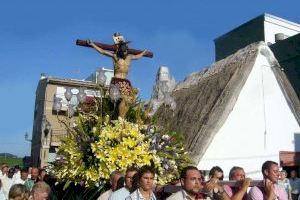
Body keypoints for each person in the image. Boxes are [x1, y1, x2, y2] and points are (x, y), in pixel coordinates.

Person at [87, 34, 148, 118]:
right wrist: (93, 44)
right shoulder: (115, 57)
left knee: (130, 100)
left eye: (126, 50)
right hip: (117, 81)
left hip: (126, 82)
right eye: (123, 50)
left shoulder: (129, 58)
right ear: (120, 50)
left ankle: (122, 117)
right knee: (122, 99)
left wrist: (144, 52)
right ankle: (120, 118)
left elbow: (137, 56)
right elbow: (103, 51)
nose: (125, 52)